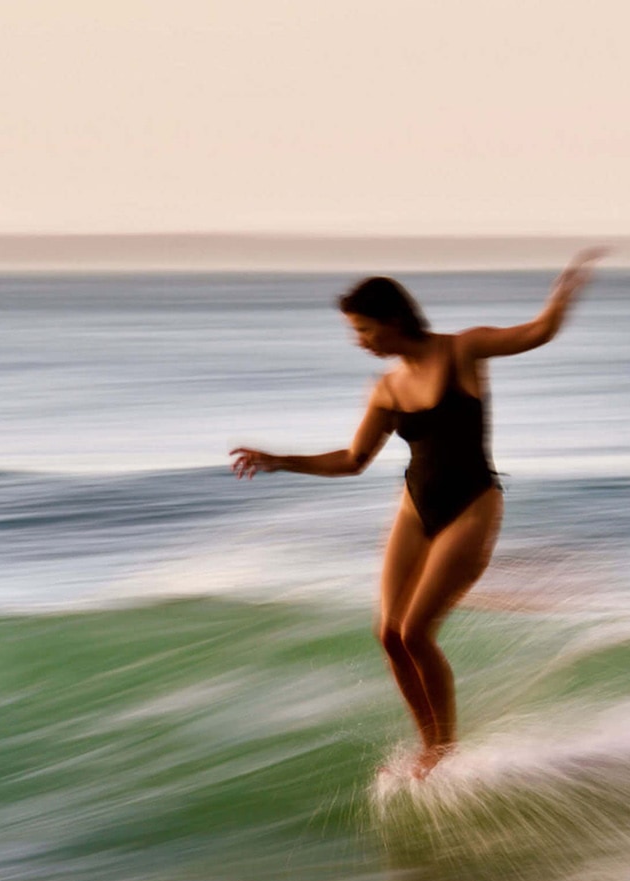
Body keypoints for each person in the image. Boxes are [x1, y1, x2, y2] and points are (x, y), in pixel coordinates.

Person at [231, 248, 605, 777]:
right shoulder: (386, 388)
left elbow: (538, 332)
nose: (357, 341)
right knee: (388, 633)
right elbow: (354, 460)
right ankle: (426, 742)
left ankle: (443, 748)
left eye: (362, 329)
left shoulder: (463, 351)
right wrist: (279, 460)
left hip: (473, 504)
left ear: (393, 321)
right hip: (415, 507)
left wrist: (563, 295)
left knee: (415, 633)